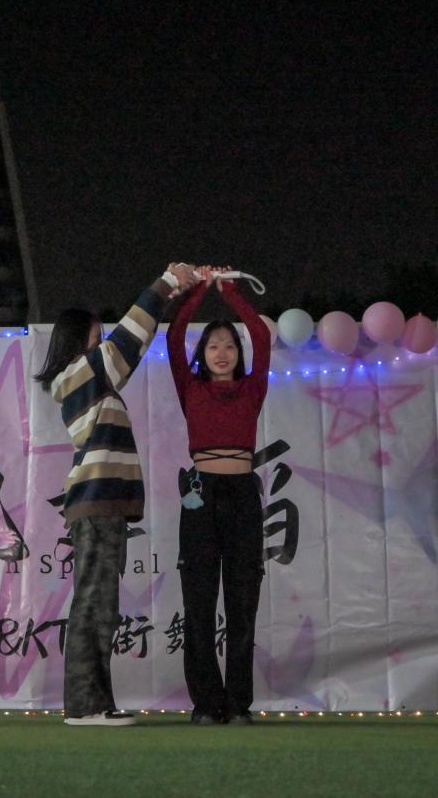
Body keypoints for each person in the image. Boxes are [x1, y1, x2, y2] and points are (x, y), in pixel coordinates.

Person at [35, 261, 197, 726]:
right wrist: (166, 283)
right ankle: (85, 706)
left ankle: (94, 703)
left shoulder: (84, 377)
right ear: (78, 341)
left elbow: (129, 344)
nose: (103, 340)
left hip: (101, 506)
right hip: (96, 505)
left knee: (99, 604)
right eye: (96, 334)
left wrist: (171, 294)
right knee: (95, 603)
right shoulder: (80, 375)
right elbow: (130, 340)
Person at [166, 266, 272, 725]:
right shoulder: (190, 387)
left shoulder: (252, 388)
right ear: (202, 354)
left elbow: (261, 336)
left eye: (229, 345)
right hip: (200, 494)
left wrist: (228, 291)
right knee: (199, 601)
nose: (222, 352)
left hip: (242, 493)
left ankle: (238, 703)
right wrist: (196, 291)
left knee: (243, 600)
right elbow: (173, 337)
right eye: (213, 345)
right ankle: (206, 704)